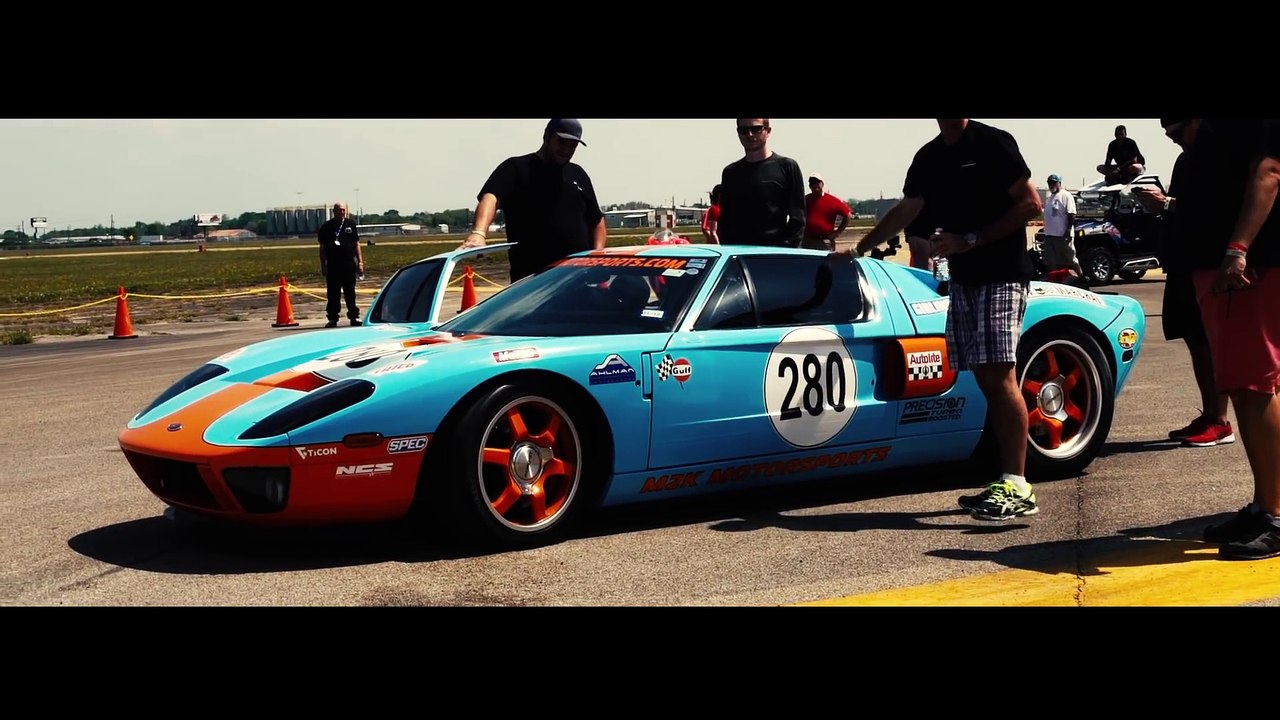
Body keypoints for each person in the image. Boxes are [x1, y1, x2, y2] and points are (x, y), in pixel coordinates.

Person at [850, 119, 1044, 522]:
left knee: (999, 374)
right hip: (966, 278)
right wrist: (861, 248)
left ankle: (1018, 484)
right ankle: (1006, 479)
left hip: (1002, 273)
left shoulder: (993, 143)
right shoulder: (930, 156)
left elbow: (1030, 204)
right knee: (986, 378)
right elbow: (908, 208)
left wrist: (969, 240)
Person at [1183, 118, 1280, 560]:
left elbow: (1268, 172)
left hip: (1244, 268)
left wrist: (1237, 249)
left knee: (1255, 385)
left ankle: (1275, 515)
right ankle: (1264, 507)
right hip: (1218, 265)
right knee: (1245, 387)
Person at [1131, 119, 1233, 449]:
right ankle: (1210, 414)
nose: (1174, 141)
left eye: (1177, 133)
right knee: (1195, 340)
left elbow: (1218, 209)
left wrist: (1168, 204)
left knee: (1210, 343)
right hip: (1183, 262)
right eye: (1168, 135)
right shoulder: (1185, 159)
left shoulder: (1218, 155)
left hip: (1207, 263)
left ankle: (1219, 420)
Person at [459, 118, 607, 282]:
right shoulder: (516, 168)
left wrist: (596, 258)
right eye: (562, 142)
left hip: (577, 279)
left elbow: (597, 221)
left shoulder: (578, 174)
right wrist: (478, 233)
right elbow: (491, 197)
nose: (566, 149)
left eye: (572, 145)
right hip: (532, 281)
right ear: (546, 136)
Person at [717, 118, 806, 247]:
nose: (750, 135)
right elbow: (725, 220)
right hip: (738, 254)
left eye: (756, 129)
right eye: (744, 130)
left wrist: (788, 251)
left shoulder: (787, 167)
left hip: (774, 253)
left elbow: (798, 217)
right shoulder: (730, 172)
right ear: (738, 133)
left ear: (768, 131)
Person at [317, 201, 363, 327]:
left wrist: (360, 262)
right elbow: (322, 248)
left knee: (350, 292)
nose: (342, 212)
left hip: (348, 264)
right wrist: (323, 265)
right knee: (333, 293)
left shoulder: (350, 224)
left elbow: (356, 244)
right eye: (339, 210)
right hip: (333, 265)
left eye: (343, 210)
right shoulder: (326, 227)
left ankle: (354, 317)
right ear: (334, 212)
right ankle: (332, 318)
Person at [1041, 174, 1086, 282]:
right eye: (1049, 183)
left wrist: (1067, 229)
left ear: (1059, 183)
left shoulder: (1066, 195)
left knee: (1070, 259)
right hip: (1050, 235)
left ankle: (1081, 277)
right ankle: (1056, 280)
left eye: (1053, 182)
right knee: (1051, 261)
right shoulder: (1049, 198)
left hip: (1062, 235)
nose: (1051, 185)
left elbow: (1071, 214)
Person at [802, 172, 853, 251]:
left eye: (817, 183)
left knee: (827, 262)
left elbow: (848, 215)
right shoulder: (805, 200)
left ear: (822, 184)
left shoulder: (832, 200)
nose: (814, 185)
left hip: (825, 241)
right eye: (812, 183)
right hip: (808, 240)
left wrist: (837, 232)